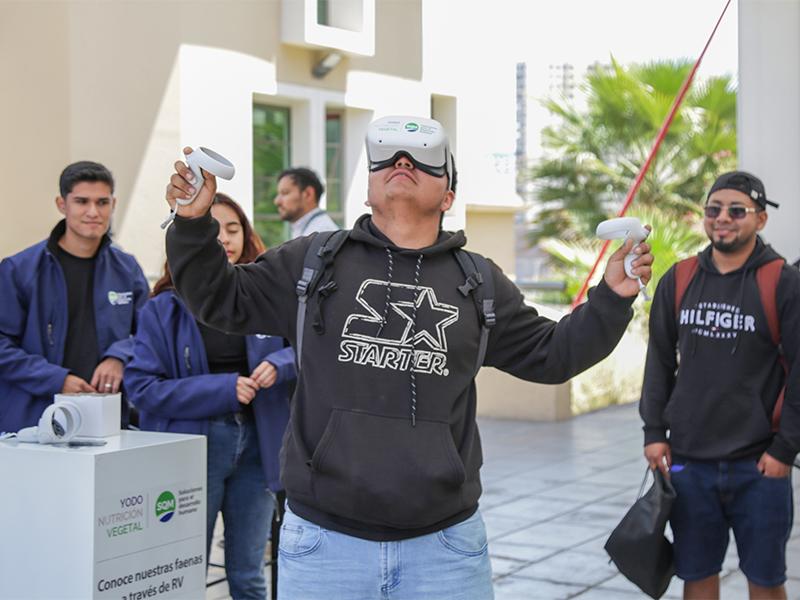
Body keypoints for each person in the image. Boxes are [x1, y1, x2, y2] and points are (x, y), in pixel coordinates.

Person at [163, 115, 653, 600]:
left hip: (444, 547)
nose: (402, 162)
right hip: (322, 544)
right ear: (367, 189)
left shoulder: (479, 282)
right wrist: (190, 222)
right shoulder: (310, 262)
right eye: (387, 159)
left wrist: (612, 296)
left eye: (423, 160)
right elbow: (218, 297)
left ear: (448, 197)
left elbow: (553, 354)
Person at [125, 193, 295, 600]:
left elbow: (309, 349)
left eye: (232, 229)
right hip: (193, 450)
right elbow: (143, 388)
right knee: (185, 569)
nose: (224, 239)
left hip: (259, 446)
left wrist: (282, 363)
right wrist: (222, 390)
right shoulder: (161, 309)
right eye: (212, 230)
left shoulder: (270, 299)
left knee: (249, 572)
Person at [640, 171, 800, 600]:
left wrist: (785, 450)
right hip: (690, 463)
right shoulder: (680, 278)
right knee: (697, 575)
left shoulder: (783, 282)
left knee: (766, 581)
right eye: (714, 209)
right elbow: (658, 359)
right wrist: (654, 433)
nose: (722, 218)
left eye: (737, 210)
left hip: (760, 466)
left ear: (760, 220)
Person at [0, 161, 149, 433]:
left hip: (106, 420)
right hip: (32, 422)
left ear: (113, 204)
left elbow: (151, 335)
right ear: (62, 204)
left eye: (102, 202)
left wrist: (119, 356)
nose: (93, 212)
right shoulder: (18, 270)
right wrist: (56, 379)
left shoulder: (127, 270)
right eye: (82, 201)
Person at [274, 167, 339, 238]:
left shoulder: (322, 233)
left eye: (285, 193)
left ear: (308, 194)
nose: (277, 201)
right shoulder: (305, 230)